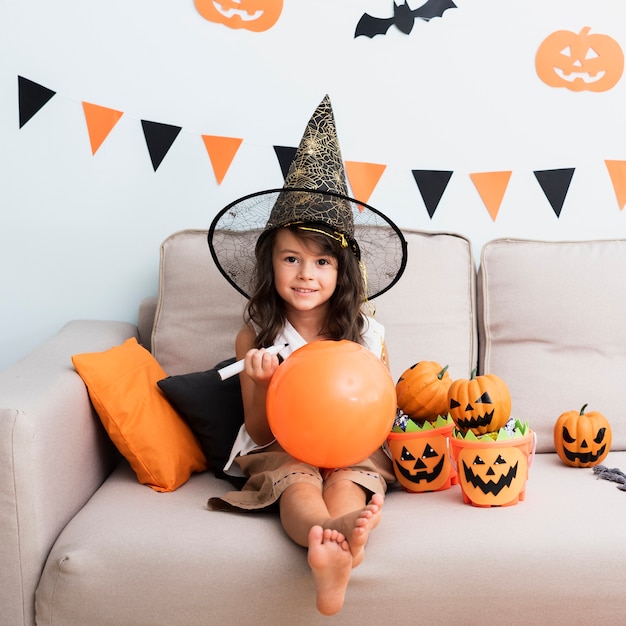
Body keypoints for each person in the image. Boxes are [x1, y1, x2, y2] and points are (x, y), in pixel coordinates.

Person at [207, 95, 407, 615]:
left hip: (350, 447)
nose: (305, 274)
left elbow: (380, 412)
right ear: (270, 263)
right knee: (296, 480)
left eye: (322, 262)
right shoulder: (256, 336)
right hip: (283, 445)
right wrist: (260, 381)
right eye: (291, 258)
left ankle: (337, 540)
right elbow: (259, 427)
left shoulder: (367, 333)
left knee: (347, 476)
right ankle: (324, 534)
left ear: (342, 272)